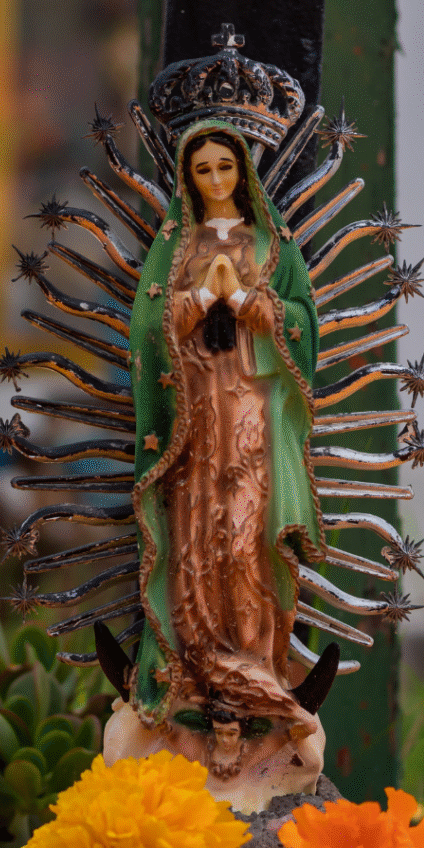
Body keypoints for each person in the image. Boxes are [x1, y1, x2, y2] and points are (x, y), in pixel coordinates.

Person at [102, 120, 326, 810]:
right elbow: (148, 325)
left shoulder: (270, 245)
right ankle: (196, 667)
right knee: (197, 537)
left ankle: (254, 668)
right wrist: (200, 301)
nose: (217, 180)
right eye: (203, 170)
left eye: (226, 167)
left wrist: (252, 303)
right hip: (194, 421)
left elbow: (303, 320)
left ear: (243, 172)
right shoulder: (178, 248)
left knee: (247, 541)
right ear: (188, 179)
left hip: (253, 415)